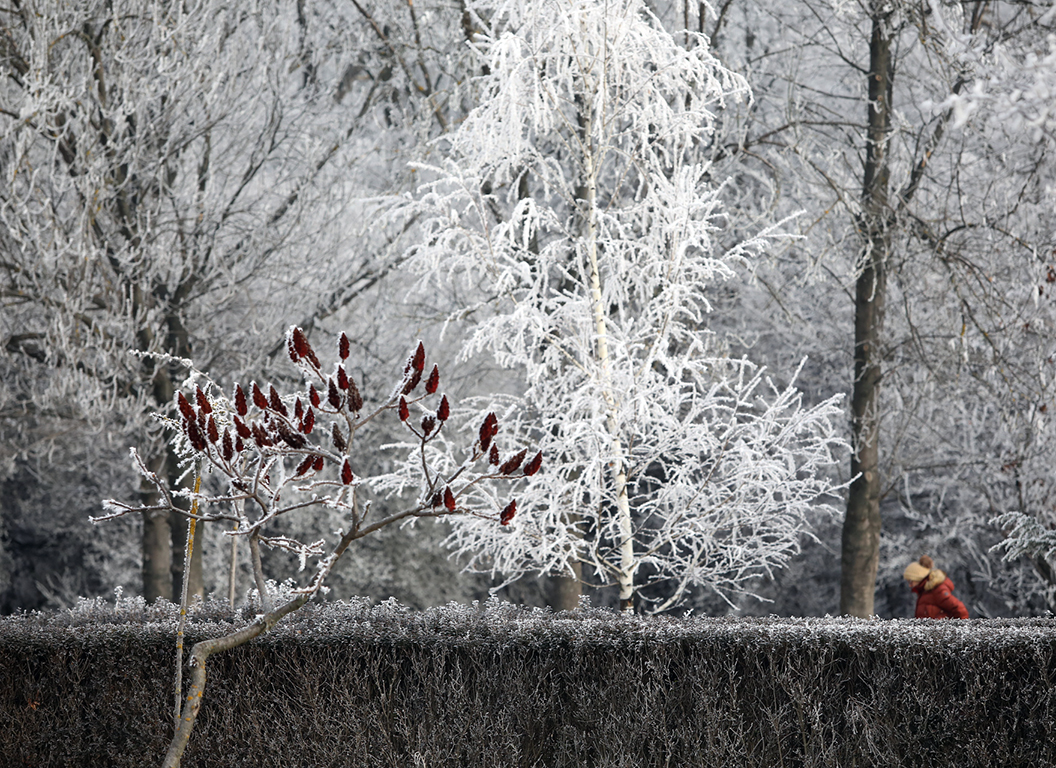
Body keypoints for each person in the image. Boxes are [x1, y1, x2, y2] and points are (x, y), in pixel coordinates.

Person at [902, 555, 969, 619]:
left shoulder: (937, 591)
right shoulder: (924, 591)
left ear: (919, 578)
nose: (909, 585)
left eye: (911, 581)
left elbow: (959, 609)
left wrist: (960, 628)